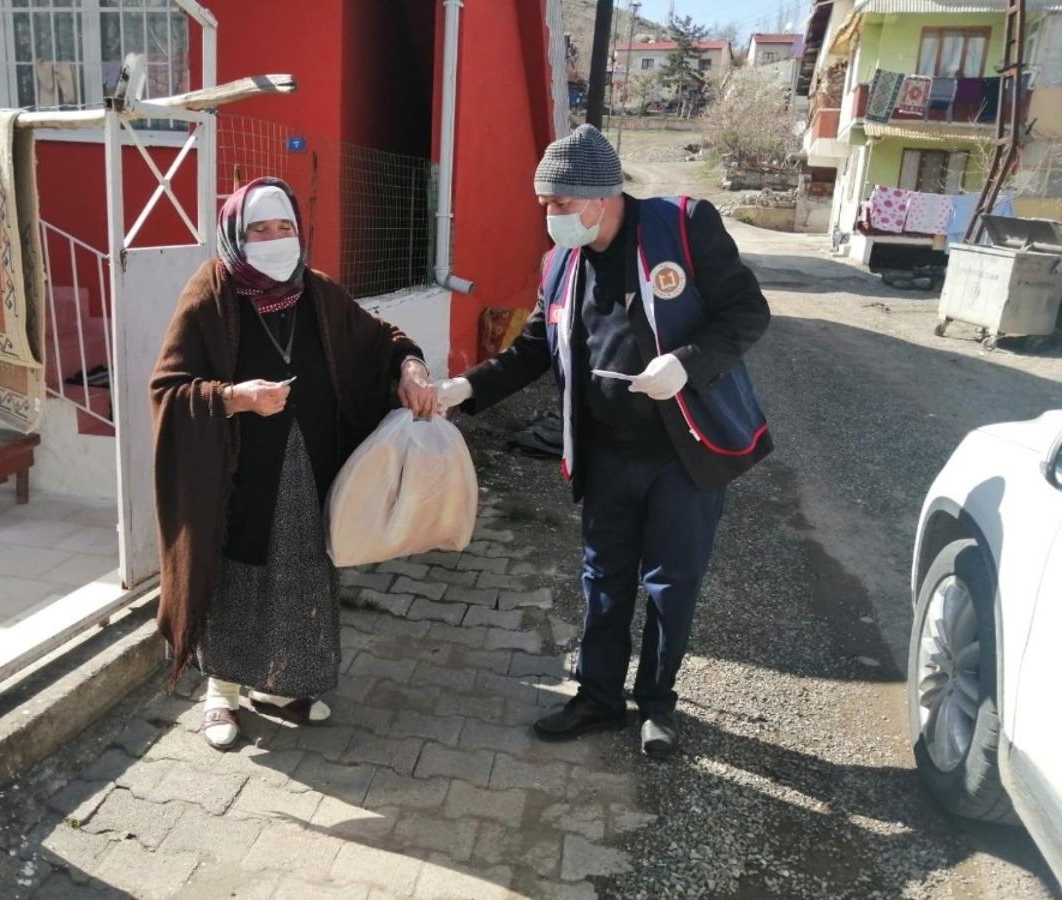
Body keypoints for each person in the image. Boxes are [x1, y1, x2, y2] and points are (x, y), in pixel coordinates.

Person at [436, 125, 772, 759]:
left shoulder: (684, 226)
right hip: (606, 453)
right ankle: (597, 696)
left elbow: (748, 313)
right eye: (545, 204)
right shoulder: (561, 262)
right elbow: (536, 349)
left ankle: (657, 705)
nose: (549, 216)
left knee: (672, 584)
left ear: (600, 196)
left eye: (559, 204)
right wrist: (464, 389)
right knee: (603, 580)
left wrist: (687, 363)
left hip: (683, 453)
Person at [151, 177, 437, 750]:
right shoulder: (210, 293)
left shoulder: (317, 292)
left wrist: (410, 369)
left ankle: (278, 684)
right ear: (236, 234)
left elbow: (384, 339)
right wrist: (235, 398)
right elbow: (168, 389)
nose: (276, 240)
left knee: (297, 575)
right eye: (260, 229)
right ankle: (222, 692)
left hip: (307, 469)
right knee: (234, 575)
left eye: (285, 227)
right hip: (236, 475)